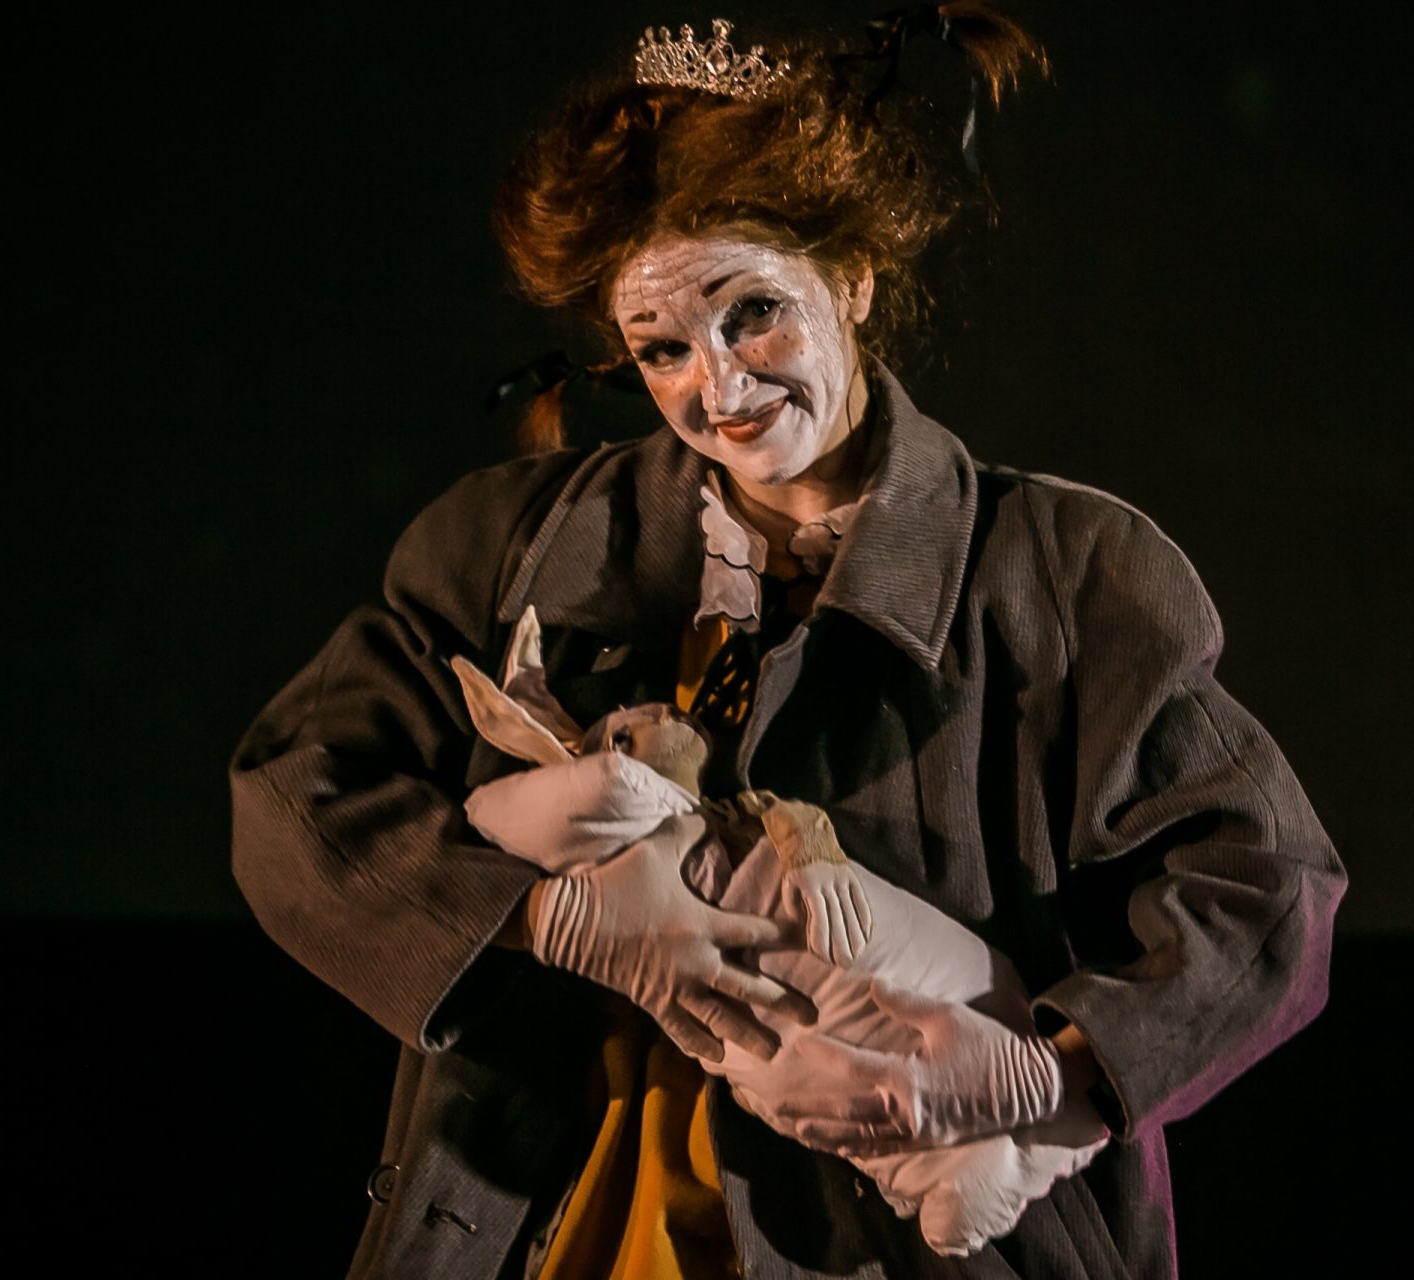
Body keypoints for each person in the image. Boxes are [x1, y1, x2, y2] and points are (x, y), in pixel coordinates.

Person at [230, 7, 1346, 1278]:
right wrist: (549, 919)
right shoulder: (505, 548)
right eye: (660, 349)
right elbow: (295, 792)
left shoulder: (1066, 570)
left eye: (753, 311)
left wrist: (1055, 1076)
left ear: (853, 277)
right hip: (571, 1227)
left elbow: (1266, 881)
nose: (719, 388)